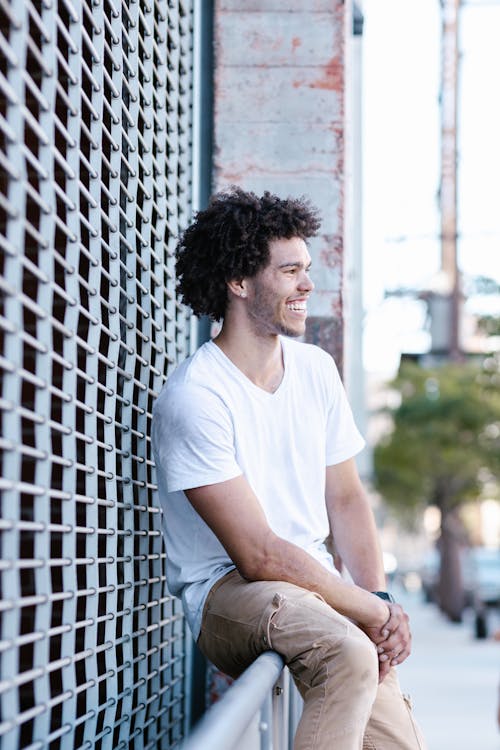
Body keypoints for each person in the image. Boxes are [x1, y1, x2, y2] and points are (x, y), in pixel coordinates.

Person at [152, 187, 427, 750]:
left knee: (398, 737)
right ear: (239, 282)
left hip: (318, 586)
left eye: (307, 269)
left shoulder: (316, 370)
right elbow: (259, 554)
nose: (307, 285)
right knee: (346, 646)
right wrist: (368, 612)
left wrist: (378, 599)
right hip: (228, 591)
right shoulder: (196, 396)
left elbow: (346, 499)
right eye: (290, 271)